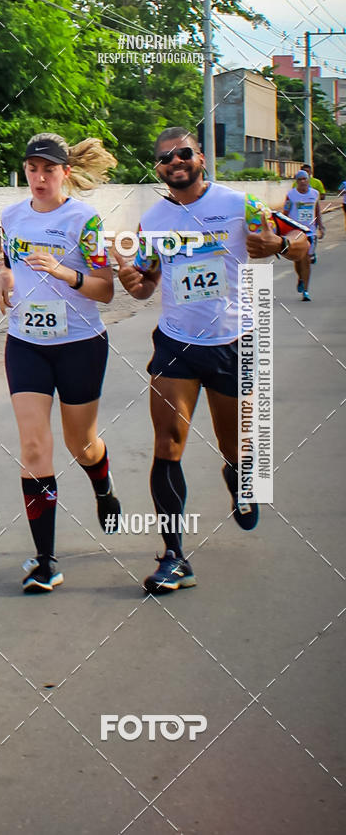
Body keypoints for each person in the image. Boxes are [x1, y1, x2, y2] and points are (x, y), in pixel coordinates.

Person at [116, 126, 308, 595]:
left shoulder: (239, 205)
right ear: (158, 168)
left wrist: (278, 247)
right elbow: (145, 284)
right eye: (165, 158)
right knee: (167, 444)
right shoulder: (153, 221)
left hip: (231, 343)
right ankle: (175, 557)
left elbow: (301, 242)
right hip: (176, 345)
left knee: (234, 448)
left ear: (200, 157)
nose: (174, 162)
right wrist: (130, 279)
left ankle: (240, 480)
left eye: (183, 153)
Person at [0, 132, 121, 593]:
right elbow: (9, 266)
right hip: (26, 343)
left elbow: (106, 288)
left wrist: (65, 272)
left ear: (66, 172)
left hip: (80, 343)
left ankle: (102, 485)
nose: (39, 178)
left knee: (80, 443)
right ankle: (45, 561)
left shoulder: (83, 219)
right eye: (32, 168)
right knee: (34, 449)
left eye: (49, 169)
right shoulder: (12, 215)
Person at [283, 170, 324, 301]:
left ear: (308, 180)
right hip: (295, 232)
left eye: (304, 179)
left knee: (306, 260)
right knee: (298, 260)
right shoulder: (291, 195)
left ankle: (305, 291)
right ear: (296, 181)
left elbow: (317, 210)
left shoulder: (314, 194)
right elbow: (285, 211)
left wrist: (321, 226)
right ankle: (300, 278)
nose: (302, 181)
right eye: (299, 179)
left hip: (309, 232)